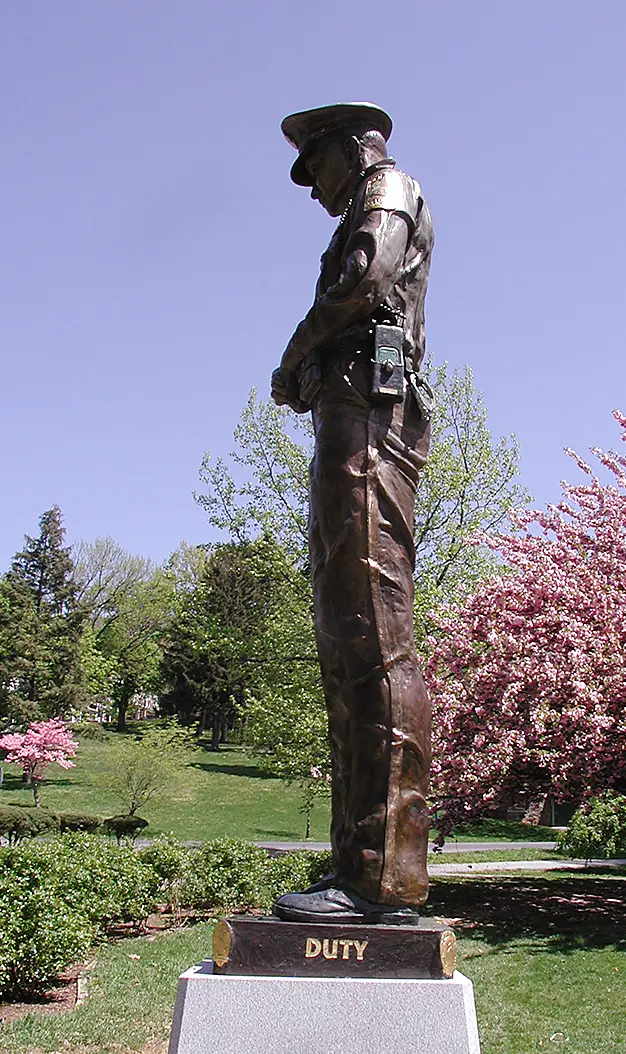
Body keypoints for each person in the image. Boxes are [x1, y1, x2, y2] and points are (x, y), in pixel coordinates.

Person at [271, 103, 435, 923]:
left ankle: (379, 880)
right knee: (345, 633)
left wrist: (298, 348)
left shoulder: (389, 191)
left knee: (372, 629)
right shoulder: (370, 203)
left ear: (347, 148)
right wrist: (310, 367)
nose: (311, 192)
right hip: (351, 413)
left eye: (313, 171)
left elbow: (364, 284)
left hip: (371, 419)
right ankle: (358, 867)